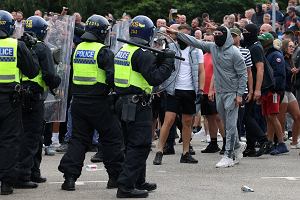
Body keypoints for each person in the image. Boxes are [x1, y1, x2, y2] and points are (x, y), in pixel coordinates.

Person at [58, 15, 124, 191]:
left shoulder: (78, 49)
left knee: (78, 139)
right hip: (100, 103)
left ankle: (69, 178)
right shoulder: (103, 51)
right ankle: (115, 178)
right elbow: (112, 78)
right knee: (111, 139)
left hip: (79, 102)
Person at [114, 15, 175, 198]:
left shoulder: (125, 49)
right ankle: (125, 186)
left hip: (123, 102)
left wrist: (158, 58)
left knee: (131, 144)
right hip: (136, 104)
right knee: (139, 145)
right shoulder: (142, 54)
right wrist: (168, 62)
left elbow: (141, 69)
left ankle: (138, 180)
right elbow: (155, 78)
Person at [170, 25, 248, 168]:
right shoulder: (212, 47)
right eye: (215, 33)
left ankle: (229, 155)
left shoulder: (235, 53)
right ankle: (237, 146)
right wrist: (177, 34)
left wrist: (239, 94)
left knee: (230, 125)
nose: (216, 36)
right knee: (227, 122)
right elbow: (195, 42)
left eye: (220, 34)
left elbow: (243, 74)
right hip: (220, 92)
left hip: (232, 93)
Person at [13, 16, 61, 189]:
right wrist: (58, 81)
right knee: (32, 136)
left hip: (18, 94)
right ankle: (24, 175)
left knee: (23, 134)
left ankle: (34, 172)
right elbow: (49, 75)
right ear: (42, 31)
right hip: (34, 96)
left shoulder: (19, 44)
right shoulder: (42, 48)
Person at [153, 24, 204, 165]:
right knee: (168, 121)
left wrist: (201, 89)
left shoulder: (196, 50)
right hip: (173, 90)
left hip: (190, 90)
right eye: (179, 34)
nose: (182, 38)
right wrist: (160, 86)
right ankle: (159, 151)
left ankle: (186, 152)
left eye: (185, 35)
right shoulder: (171, 48)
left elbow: (201, 71)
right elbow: (161, 66)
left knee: (187, 122)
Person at [0, 10, 39, 195]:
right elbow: (32, 72)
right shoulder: (17, 45)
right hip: (9, 100)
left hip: (9, 98)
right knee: (9, 140)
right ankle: (6, 184)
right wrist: (29, 49)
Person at [258, 32, 288, 155]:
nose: (260, 42)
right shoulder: (266, 54)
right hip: (267, 90)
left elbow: (280, 74)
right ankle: (269, 142)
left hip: (273, 91)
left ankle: (281, 143)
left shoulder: (275, 55)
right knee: (268, 116)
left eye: (262, 41)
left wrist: (273, 88)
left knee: (272, 116)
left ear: (267, 42)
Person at [279, 40, 300, 149]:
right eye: (290, 46)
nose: (292, 48)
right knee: (281, 119)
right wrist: (291, 71)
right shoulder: (281, 57)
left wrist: (294, 71)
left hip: (289, 91)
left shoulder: (290, 59)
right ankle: (279, 142)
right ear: (285, 47)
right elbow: (280, 73)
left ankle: (294, 142)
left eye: (293, 46)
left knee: (298, 116)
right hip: (282, 91)